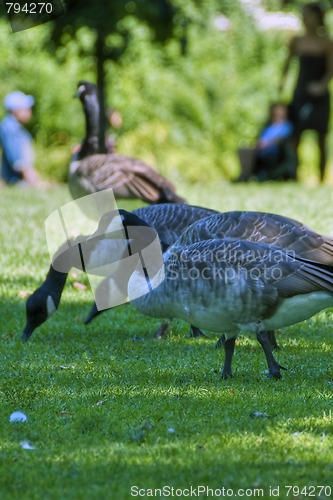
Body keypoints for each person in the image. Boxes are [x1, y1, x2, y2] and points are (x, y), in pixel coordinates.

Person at [280, 2, 333, 182]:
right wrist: (281, 85)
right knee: (296, 135)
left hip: (320, 95)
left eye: (308, 15)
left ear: (317, 18)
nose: (304, 19)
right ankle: (293, 175)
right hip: (300, 92)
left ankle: (321, 177)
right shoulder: (297, 41)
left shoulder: (327, 43)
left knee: (321, 137)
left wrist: (321, 85)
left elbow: (331, 70)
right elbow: (287, 64)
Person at [236, 102, 295, 182]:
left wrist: (267, 143)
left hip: (273, 152)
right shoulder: (268, 126)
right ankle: (245, 175)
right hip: (261, 150)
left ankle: (245, 176)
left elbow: (282, 139)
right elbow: (259, 139)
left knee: (248, 152)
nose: (278, 115)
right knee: (243, 149)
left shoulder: (286, 126)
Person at [0, 91, 40, 186]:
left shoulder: (18, 128)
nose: (30, 111)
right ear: (16, 110)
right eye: (26, 108)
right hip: (16, 180)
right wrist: (33, 180)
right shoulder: (9, 128)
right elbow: (17, 160)